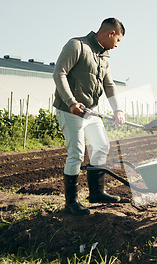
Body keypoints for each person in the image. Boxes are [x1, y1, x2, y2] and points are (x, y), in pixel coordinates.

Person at [53, 18, 126, 216]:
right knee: (76, 153)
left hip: (90, 111)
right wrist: (70, 102)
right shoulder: (77, 45)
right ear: (111, 33)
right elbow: (59, 73)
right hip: (70, 110)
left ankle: (96, 192)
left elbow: (109, 84)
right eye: (118, 40)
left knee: (102, 145)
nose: (117, 45)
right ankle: (71, 202)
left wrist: (117, 109)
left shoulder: (105, 55)